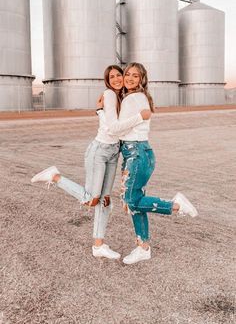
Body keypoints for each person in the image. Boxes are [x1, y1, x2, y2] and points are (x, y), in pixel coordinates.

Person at [31, 65, 151, 260]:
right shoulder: (110, 95)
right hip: (100, 151)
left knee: (105, 201)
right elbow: (113, 129)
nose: (117, 79)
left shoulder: (121, 97)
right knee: (91, 199)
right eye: (111, 77)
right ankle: (54, 177)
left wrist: (99, 112)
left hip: (113, 152)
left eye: (119, 75)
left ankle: (98, 245)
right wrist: (138, 117)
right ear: (107, 80)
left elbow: (114, 126)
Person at [98, 62, 198, 265]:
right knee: (135, 202)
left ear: (142, 79)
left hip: (137, 154)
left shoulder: (133, 98)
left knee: (131, 201)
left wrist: (104, 112)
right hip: (137, 153)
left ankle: (176, 206)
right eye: (128, 74)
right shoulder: (133, 97)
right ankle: (143, 248)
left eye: (136, 75)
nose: (130, 78)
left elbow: (115, 128)